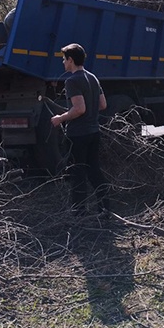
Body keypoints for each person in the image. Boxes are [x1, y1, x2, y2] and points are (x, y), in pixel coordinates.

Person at [51, 43, 110, 215]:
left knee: (77, 172)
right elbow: (103, 104)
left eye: (64, 59)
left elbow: (79, 109)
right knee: (94, 169)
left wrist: (60, 118)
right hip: (94, 132)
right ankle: (104, 207)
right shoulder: (93, 78)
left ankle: (79, 210)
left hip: (78, 134)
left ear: (70, 60)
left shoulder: (72, 81)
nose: (63, 63)